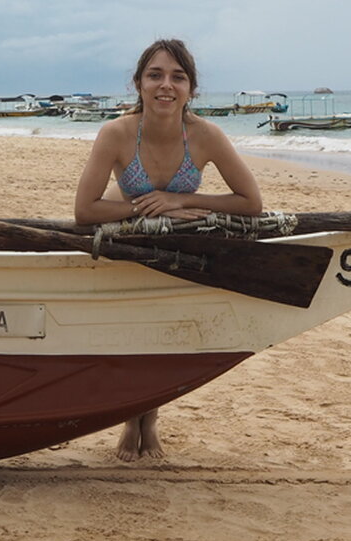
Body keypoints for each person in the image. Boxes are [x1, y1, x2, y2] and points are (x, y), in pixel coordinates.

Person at [75, 38, 263, 461]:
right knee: (131, 337)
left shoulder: (206, 135)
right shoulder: (117, 133)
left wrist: (181, 200)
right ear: (138, 84)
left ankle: (151, 418)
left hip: (179, 248)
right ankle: (131, 418)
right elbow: (85, 210)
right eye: (155, 75)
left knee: (165, 337)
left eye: (178, 77)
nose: (166, 85)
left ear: (191, 89)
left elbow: (251, 202)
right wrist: (144, 210)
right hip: (129, 240)